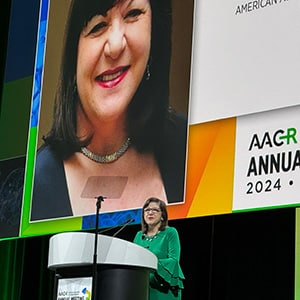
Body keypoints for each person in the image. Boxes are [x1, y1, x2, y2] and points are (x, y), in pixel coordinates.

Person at [30, 0, 187, 221]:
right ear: (73, 55)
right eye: (97, 26)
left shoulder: (190, 147)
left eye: (132, 14)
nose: (115, 45)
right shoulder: (34, 186)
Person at [133, 197, 185, 299]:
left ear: (162, 216)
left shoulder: (170, 233)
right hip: (143, 287)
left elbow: (174, 261)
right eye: (147, 210)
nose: (150, 213)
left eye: (155, 210)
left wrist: (150, 264)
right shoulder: (139, 236)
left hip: (164, 288)